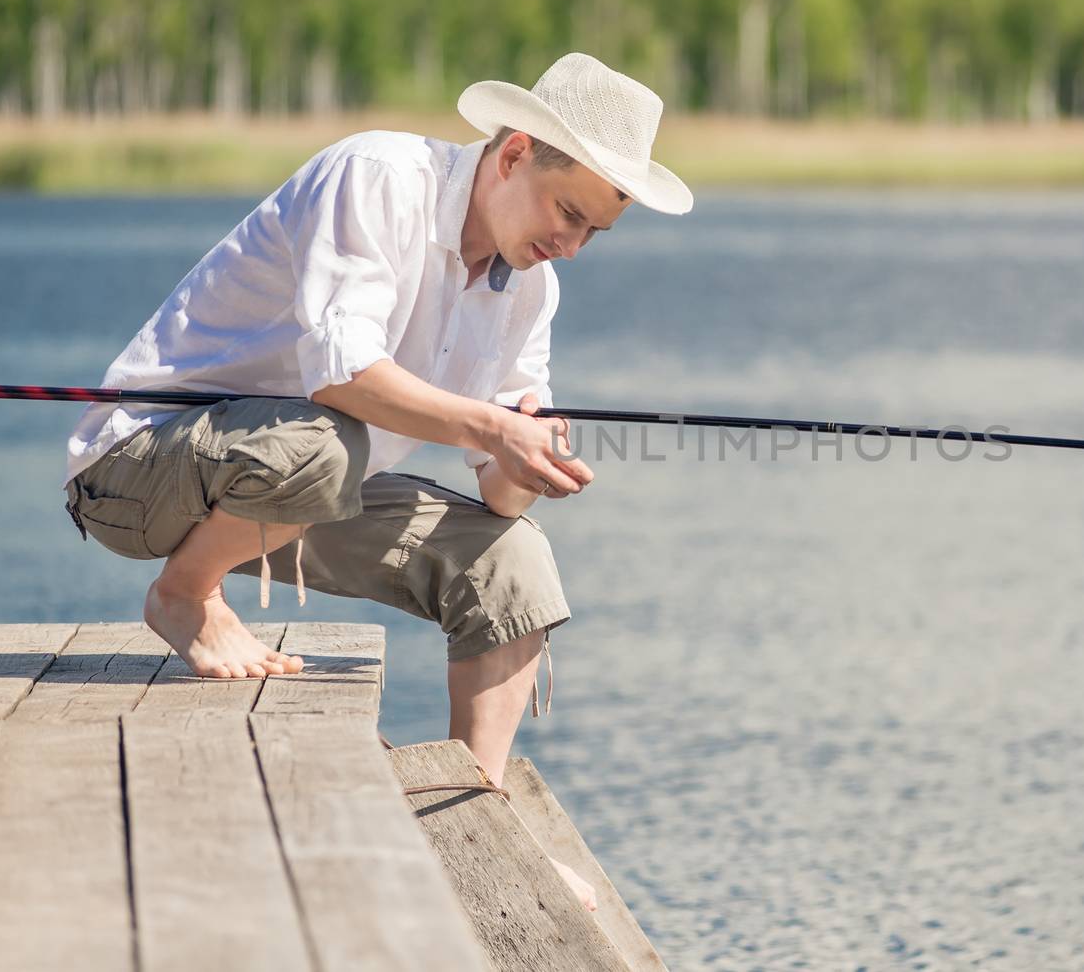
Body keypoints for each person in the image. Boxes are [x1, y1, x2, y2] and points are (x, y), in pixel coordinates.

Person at [62, 52, 692, 909]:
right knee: (329, 444)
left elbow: (497, 491)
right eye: (566, 213)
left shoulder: (529, 292)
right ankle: (185, 596)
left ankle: (478, 825)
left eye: (592, 233)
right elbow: (340, 375)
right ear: (513, 155)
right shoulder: (375, 177)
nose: (571, 247)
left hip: (291, 488)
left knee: (511, 562)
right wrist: (488, 422)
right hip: (136, 469)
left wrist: (523, 457)